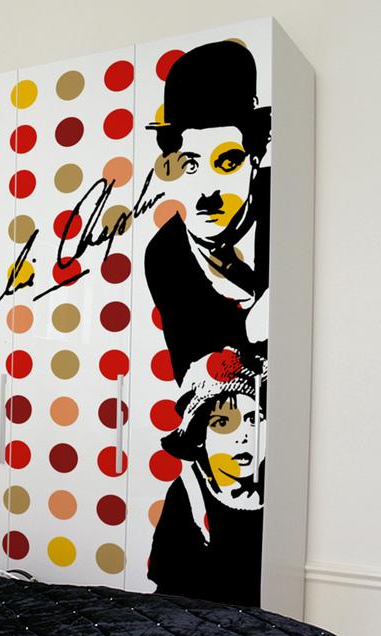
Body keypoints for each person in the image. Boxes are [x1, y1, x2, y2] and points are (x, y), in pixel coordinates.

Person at [145, 40, 272, 384]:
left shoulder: (283, 210)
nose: (206, 194)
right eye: (190, 164)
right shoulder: (165, 254)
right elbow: (196, 385)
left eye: (227, 163)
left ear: (256, 159)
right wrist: (253, 320)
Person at [148, 347, 267, 606]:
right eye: (223, 423)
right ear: (200, 436)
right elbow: (167, 581)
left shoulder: (273, 493)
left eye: (253, 419)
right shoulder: (189, 493)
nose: (244, 436)